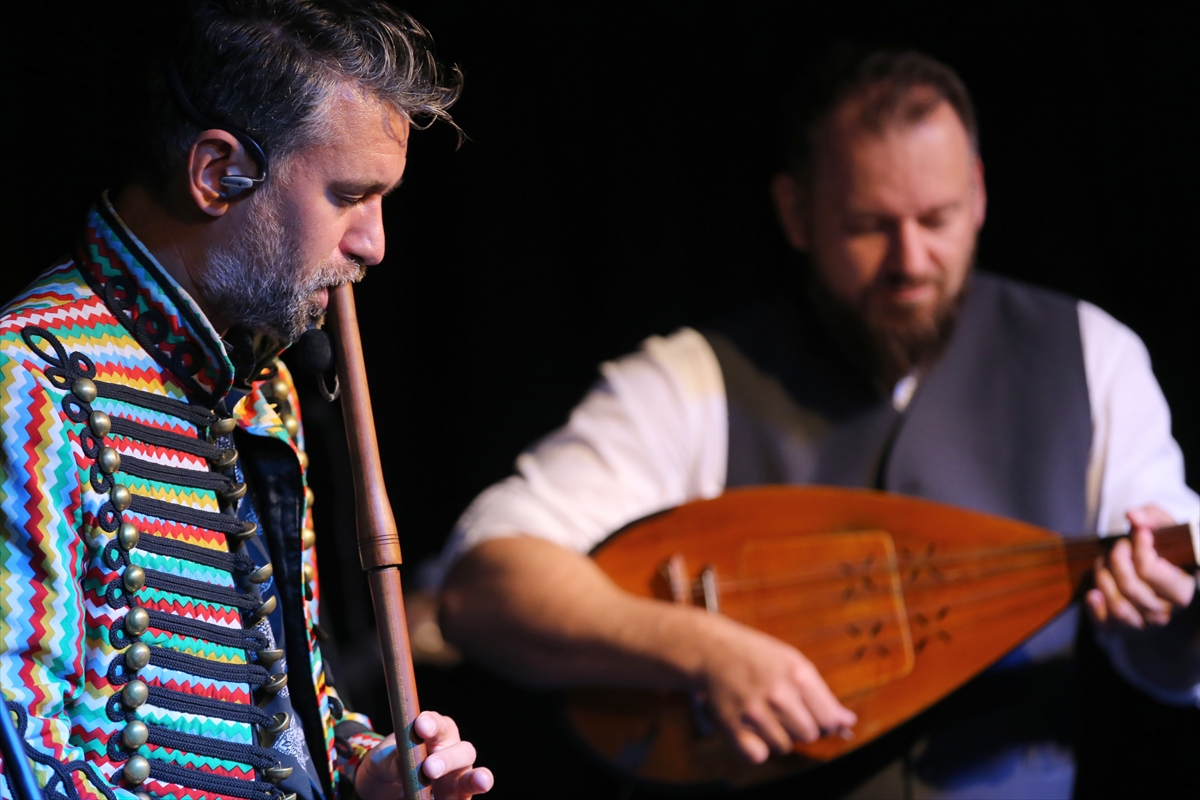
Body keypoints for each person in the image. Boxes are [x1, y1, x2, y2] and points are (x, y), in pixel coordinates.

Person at [435, 47, 1199, 798]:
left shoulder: (1091, 355)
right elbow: (481, 586)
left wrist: (1163, 615)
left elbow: (1172, 666)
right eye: (869, 224)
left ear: (980, 193)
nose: (911, 259)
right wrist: (698, 648)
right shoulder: (694, 380)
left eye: (938, 217)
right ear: (796, 213)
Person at [0, 2, 492, 799]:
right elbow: (18, 753)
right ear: (218, 173)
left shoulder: (264, 392)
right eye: (348, 196)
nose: (373, 243)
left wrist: (367, 769)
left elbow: (285, 720)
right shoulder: (27, 383)